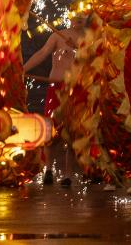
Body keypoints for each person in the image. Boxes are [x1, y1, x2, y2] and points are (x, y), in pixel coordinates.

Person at [21, 12, 87, 187]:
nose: (79, 18)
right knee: (51, 130)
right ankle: (48, 169)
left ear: (87, 18)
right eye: (76, 15)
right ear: (70, 17)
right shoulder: (58, 35)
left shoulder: (91, 39)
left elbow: (94, 61)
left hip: (76, 91)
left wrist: (78, 48)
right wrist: (22, 69)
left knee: (72, 131)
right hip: (56, 88)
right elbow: (42, 53)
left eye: (83, 15)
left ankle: (68, 174)